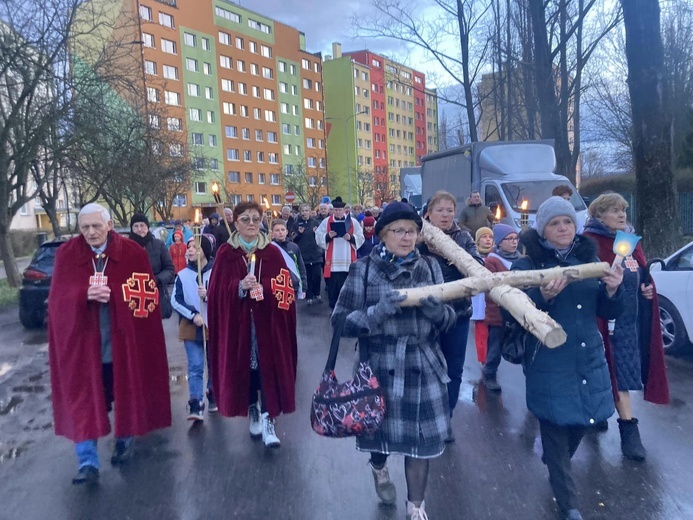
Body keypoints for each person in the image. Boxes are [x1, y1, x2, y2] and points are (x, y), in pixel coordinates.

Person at [332, 201, 456, 520]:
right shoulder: (364, 268)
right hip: (380, 366)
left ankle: (416, 507)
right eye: (399, 231)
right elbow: (340, 322)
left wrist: (437, 312)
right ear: (384, 234)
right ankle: (379, 467)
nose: (407, 237)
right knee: (381, 441)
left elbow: (449, 320)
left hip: (423, 363)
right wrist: (377, 312)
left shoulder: (429, 267)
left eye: (412, 231)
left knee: (421, 445)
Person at [513, 196, 624, 520]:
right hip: (548, 356)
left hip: (587, 352)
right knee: (554, 424)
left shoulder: (591, 260)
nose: (562, 228)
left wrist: (615, 291)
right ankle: (568, 504)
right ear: (543, 231)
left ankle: (555, 459)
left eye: (566, 222)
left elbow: (608, 310)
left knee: (584, 420)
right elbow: (514, 311)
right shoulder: (527, 265)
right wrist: (541, 297)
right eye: (554, 223)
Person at [48, 203, 171, 485]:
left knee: (124, 394)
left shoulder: (132, 254)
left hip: (122, 345)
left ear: (110, 224)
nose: (90, 232)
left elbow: (147, 298)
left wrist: (116, 295)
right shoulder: (67, 256)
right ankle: (87, 462)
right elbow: (57, 303)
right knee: (84, 402)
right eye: (84, 227)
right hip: (84, 349)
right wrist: (84, 294)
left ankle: (124, 440)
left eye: (96, 226)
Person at [582, 193, 669, 460]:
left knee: (625, 374)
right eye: (614, 210)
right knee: (612, 371)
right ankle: (628, 431)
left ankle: (601, 413)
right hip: (606, 321)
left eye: (623, 210)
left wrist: (647, 289)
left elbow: (642, 274)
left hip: (632, 322)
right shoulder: (590, 243)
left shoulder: (631, 243)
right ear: (598, 215)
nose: (621, 215)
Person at [206, 201, 298, 448]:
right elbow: (216, 294)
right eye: (245, 219)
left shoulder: (272, 252)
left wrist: (263, 287)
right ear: (235, 223)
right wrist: (238, 286)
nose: (251, 224)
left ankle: (269, 419)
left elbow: (286, 288)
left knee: (269, 369)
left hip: (267, 327)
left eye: (256, 219)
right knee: (248, 371)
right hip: (238, 327)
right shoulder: (226, 253)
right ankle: (253, 411)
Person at [419, 190, 483, 439]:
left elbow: (478, 267)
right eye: (440, 210)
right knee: (427, 367)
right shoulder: (417, 238)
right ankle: (426, 415)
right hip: (424, 315)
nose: (445, 215)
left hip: (458, 313)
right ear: (428, 214)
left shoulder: (463, 237)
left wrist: (449, 254)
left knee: (453, 367)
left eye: (449, 210)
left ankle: (446, 416)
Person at [171, 234, 216, 421]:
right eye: (188, 247)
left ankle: (213, 391)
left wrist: (208, 296)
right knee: (196, 365)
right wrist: (193, 315)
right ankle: (195, 403)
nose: (189, 250)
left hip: (214, 325)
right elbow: (176, 300)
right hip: (191, 326)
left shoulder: (215, 272)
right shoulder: (182, 275)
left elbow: (224, 296)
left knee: (214, 364)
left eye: (194, 247)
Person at [482, 224, 522, 392]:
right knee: (495, 347)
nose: (514, 243)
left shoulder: (521, 259)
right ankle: (489, 373)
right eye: (509, 239)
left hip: (519, 311)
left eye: (515, 238)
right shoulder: (492, 261)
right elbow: (490, 288)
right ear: (499, 242)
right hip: (497, 312)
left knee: (522, 344)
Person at [315, 196, 364, 309]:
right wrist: (328, 236)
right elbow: (318, 237)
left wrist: (351, 238)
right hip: (332, 264)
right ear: (332, 210)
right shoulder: (326, 222)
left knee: (347, 288)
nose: (337, 212)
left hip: (347, 262)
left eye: (340, 210)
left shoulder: (353, 222)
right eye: (335, 210)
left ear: (344, 210)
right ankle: (334, 309)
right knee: (333, 289)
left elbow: (360, 237)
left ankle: (347, 309)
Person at [129, 213, 175, 291]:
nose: (139, 229)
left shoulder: (159, 245)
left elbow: (169, 268)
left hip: (157, 290)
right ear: (132, 228)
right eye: (136, 226)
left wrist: (157, 280)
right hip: (133, 291)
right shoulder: (125, 246)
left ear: (147, 227)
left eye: (142, 225)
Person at [292, 203, 324, 304]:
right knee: (307, 276)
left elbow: (321, 238)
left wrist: (316, 233)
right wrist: (299, 234)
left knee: (317, 275)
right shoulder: (296, 224)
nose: (305, 213)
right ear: (300, 212)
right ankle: (309, 295)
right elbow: (292, 238)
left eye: (306, 211)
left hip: (315, 253)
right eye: (303, 211)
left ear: (310, 212)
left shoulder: (315, 222)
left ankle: (317, 292)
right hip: (304, 254)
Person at [471, 227, 494, 366]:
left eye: (490, 237)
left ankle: (491, 359)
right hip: (479, 298)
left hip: (492, 299)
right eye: (484, 237)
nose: (487, 240)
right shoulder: (473, 257)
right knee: (481, 331)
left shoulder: (496, 256)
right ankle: (483, 359)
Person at [271, 219, 307, 298]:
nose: (280, 232)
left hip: (293, 285)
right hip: (276, 286)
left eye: (282, 230)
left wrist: (303, 287)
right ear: (272, 234)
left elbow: (301, 267)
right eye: (277, 230)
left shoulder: (294, 247)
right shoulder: (269, 248)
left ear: (286, 232)